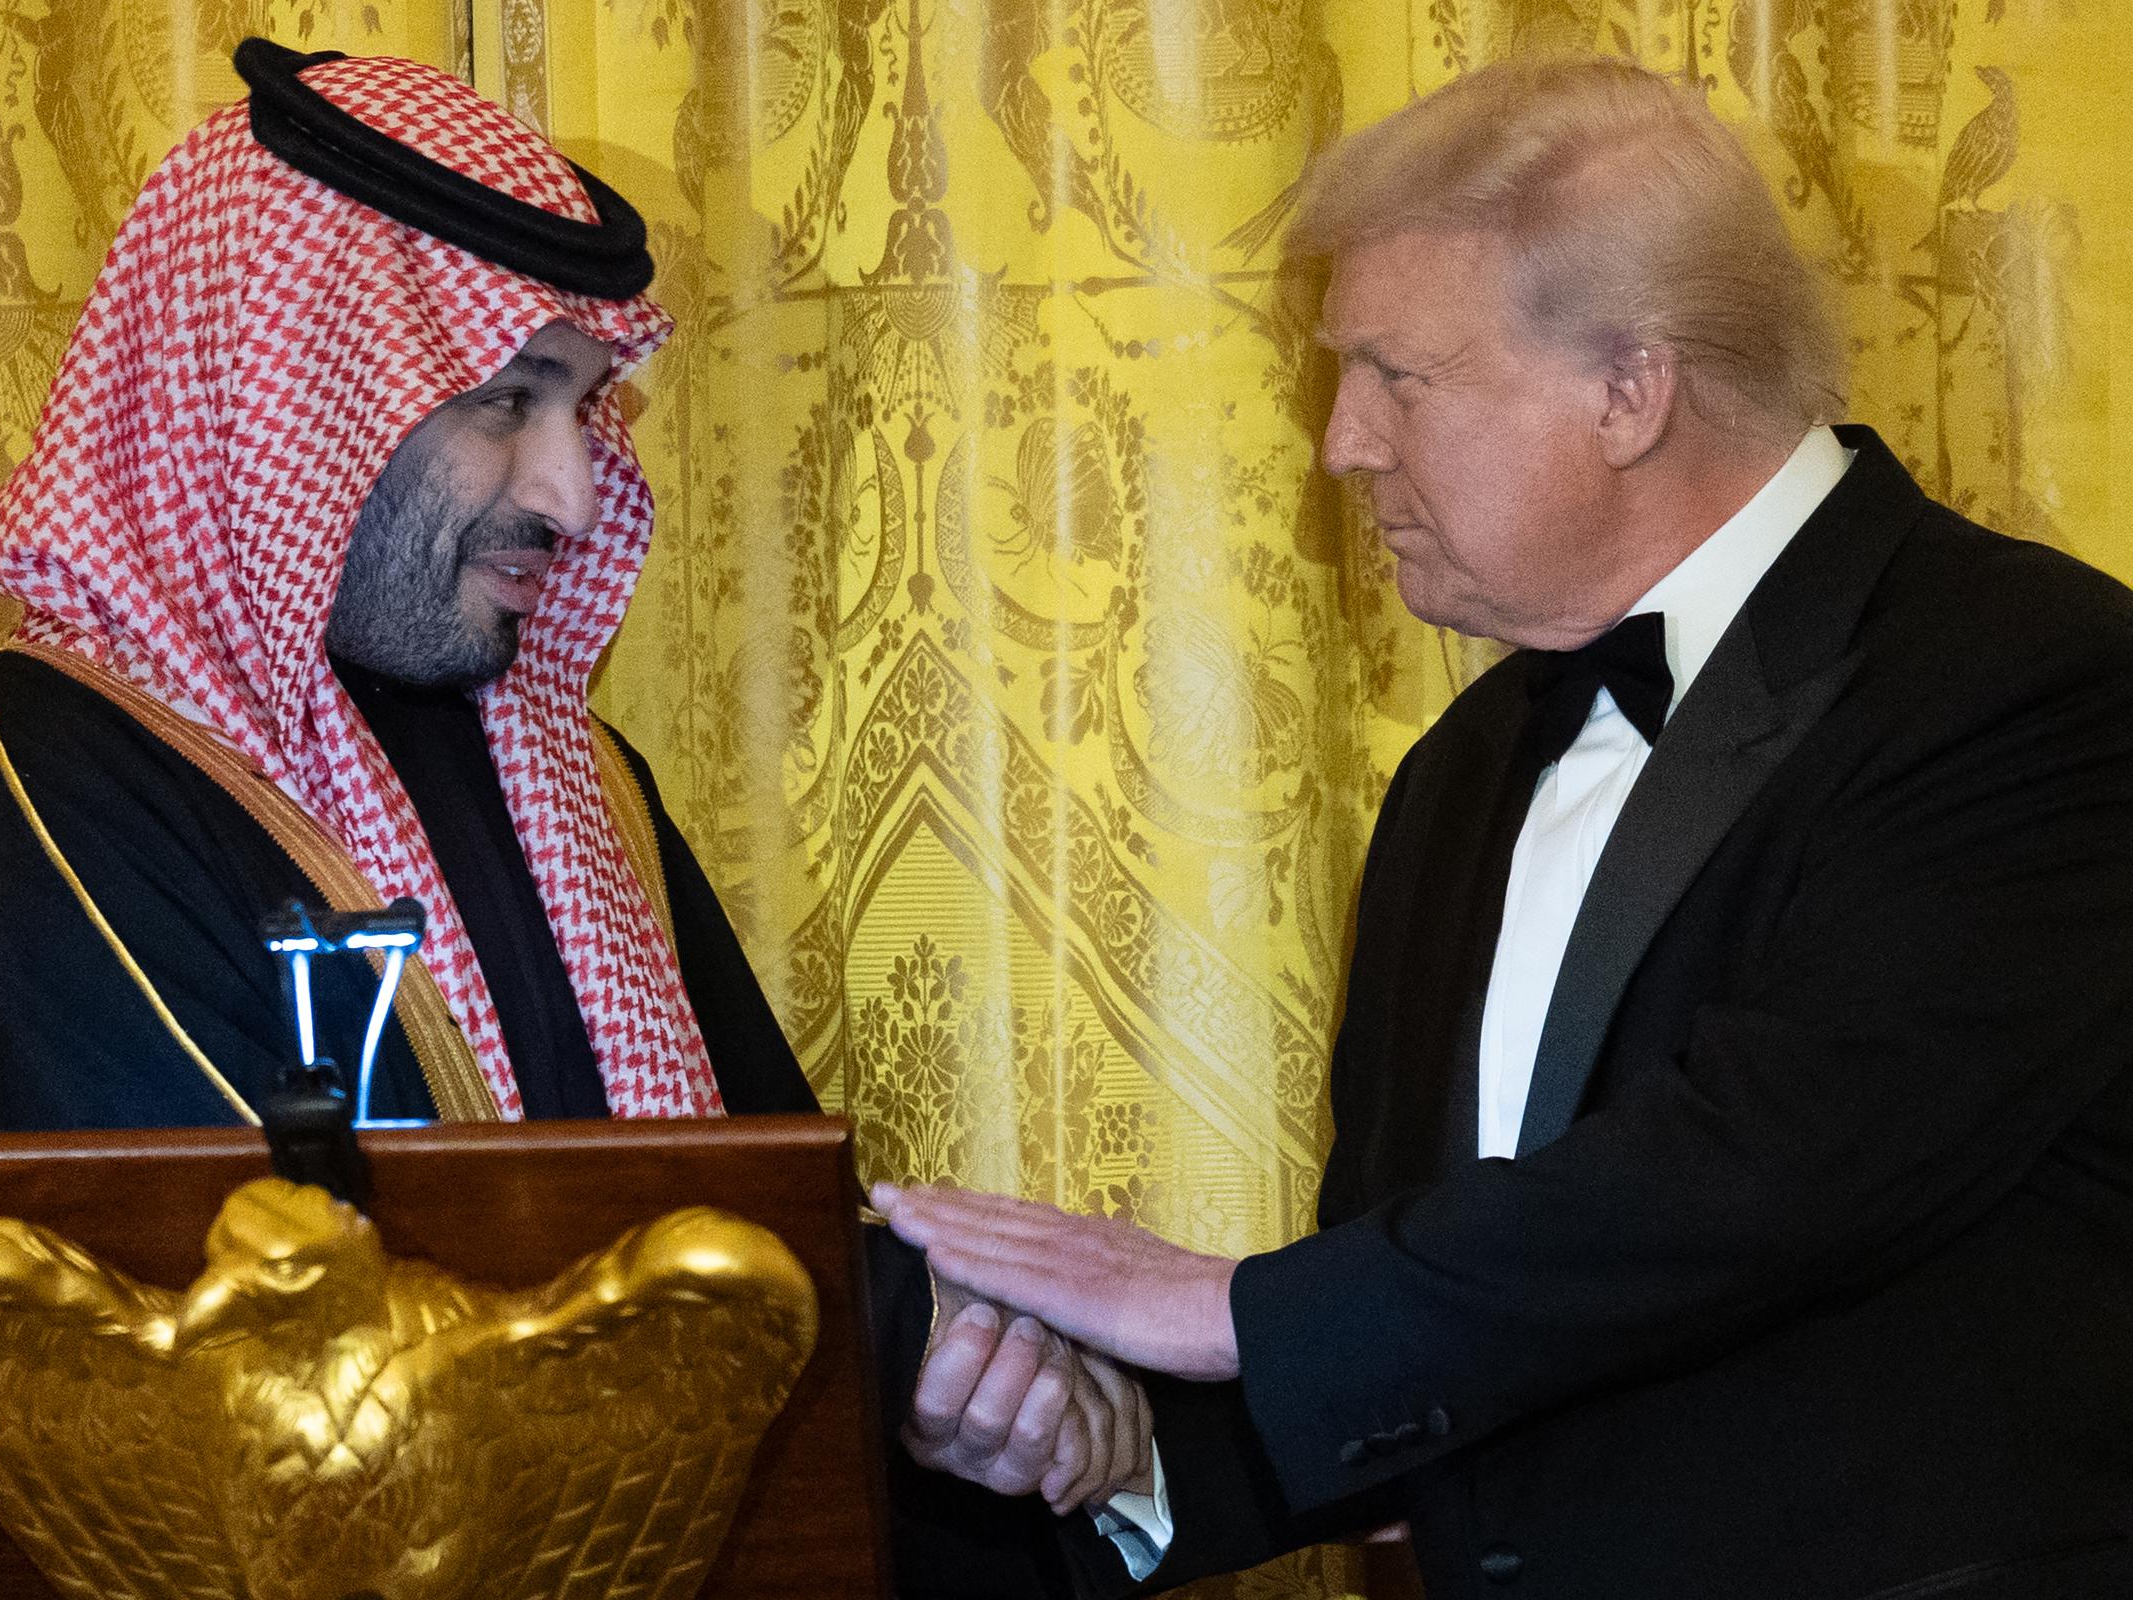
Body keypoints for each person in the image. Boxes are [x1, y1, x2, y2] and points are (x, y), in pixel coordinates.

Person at [0, 39, 1150, 1593]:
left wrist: (984, 1384)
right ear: (288, 389)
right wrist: (905, 1337)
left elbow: (764, 1217)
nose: (573, 494)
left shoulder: (572, 784)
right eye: (505, 401)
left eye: (588, 408)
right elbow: (302, 1317)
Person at [878, 53, 2133, 1600]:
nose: (1342, 442)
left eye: (1396, 375)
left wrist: (1233, 1312)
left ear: (1628, 387)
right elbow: (1455, 1305)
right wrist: (1119, 1454)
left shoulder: (2043, 680)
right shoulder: (1466, 768)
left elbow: (1768, 1171)